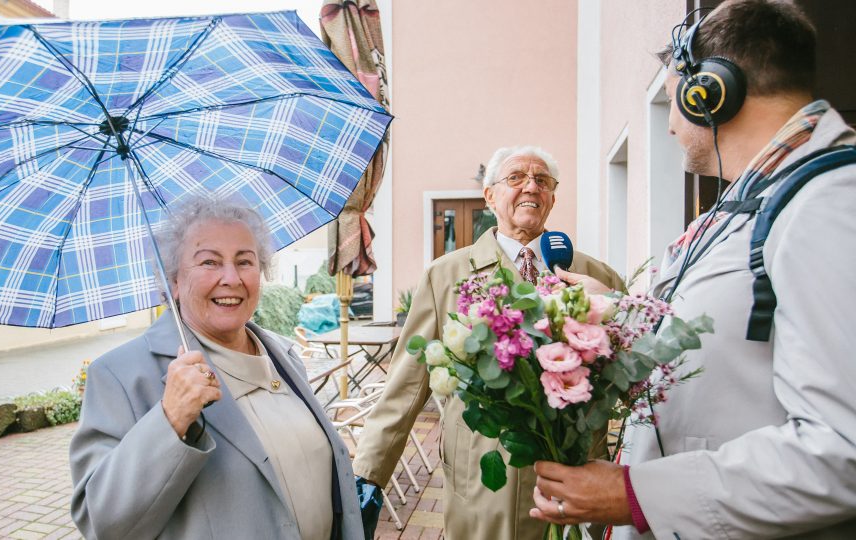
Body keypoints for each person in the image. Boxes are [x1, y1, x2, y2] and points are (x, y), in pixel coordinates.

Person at [529, 1, 856, 537]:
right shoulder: (760, 198)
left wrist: (634, 494)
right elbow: (730, 337)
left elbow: (842, 449)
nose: (672, 125)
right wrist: (614, 314)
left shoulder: (830, 204)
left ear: (709, 92)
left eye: (674, 95)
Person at [352, 145, 625, 539]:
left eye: (542, 181)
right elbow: (406, 385)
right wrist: (367, 476)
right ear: (489, 196)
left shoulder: (596, 277)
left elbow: (621, 373)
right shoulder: (444, 276)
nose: (531, 187)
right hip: (482, 474)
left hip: (574, 474)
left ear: (552, 197)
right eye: (516, 178)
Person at [69, 197, 363, 539]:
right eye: (209, 262)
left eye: (245, 261)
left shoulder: (283, 354)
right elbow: (101, 522)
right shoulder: (119, 376)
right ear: (174, 282)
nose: (231, 278)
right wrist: (170, 419)